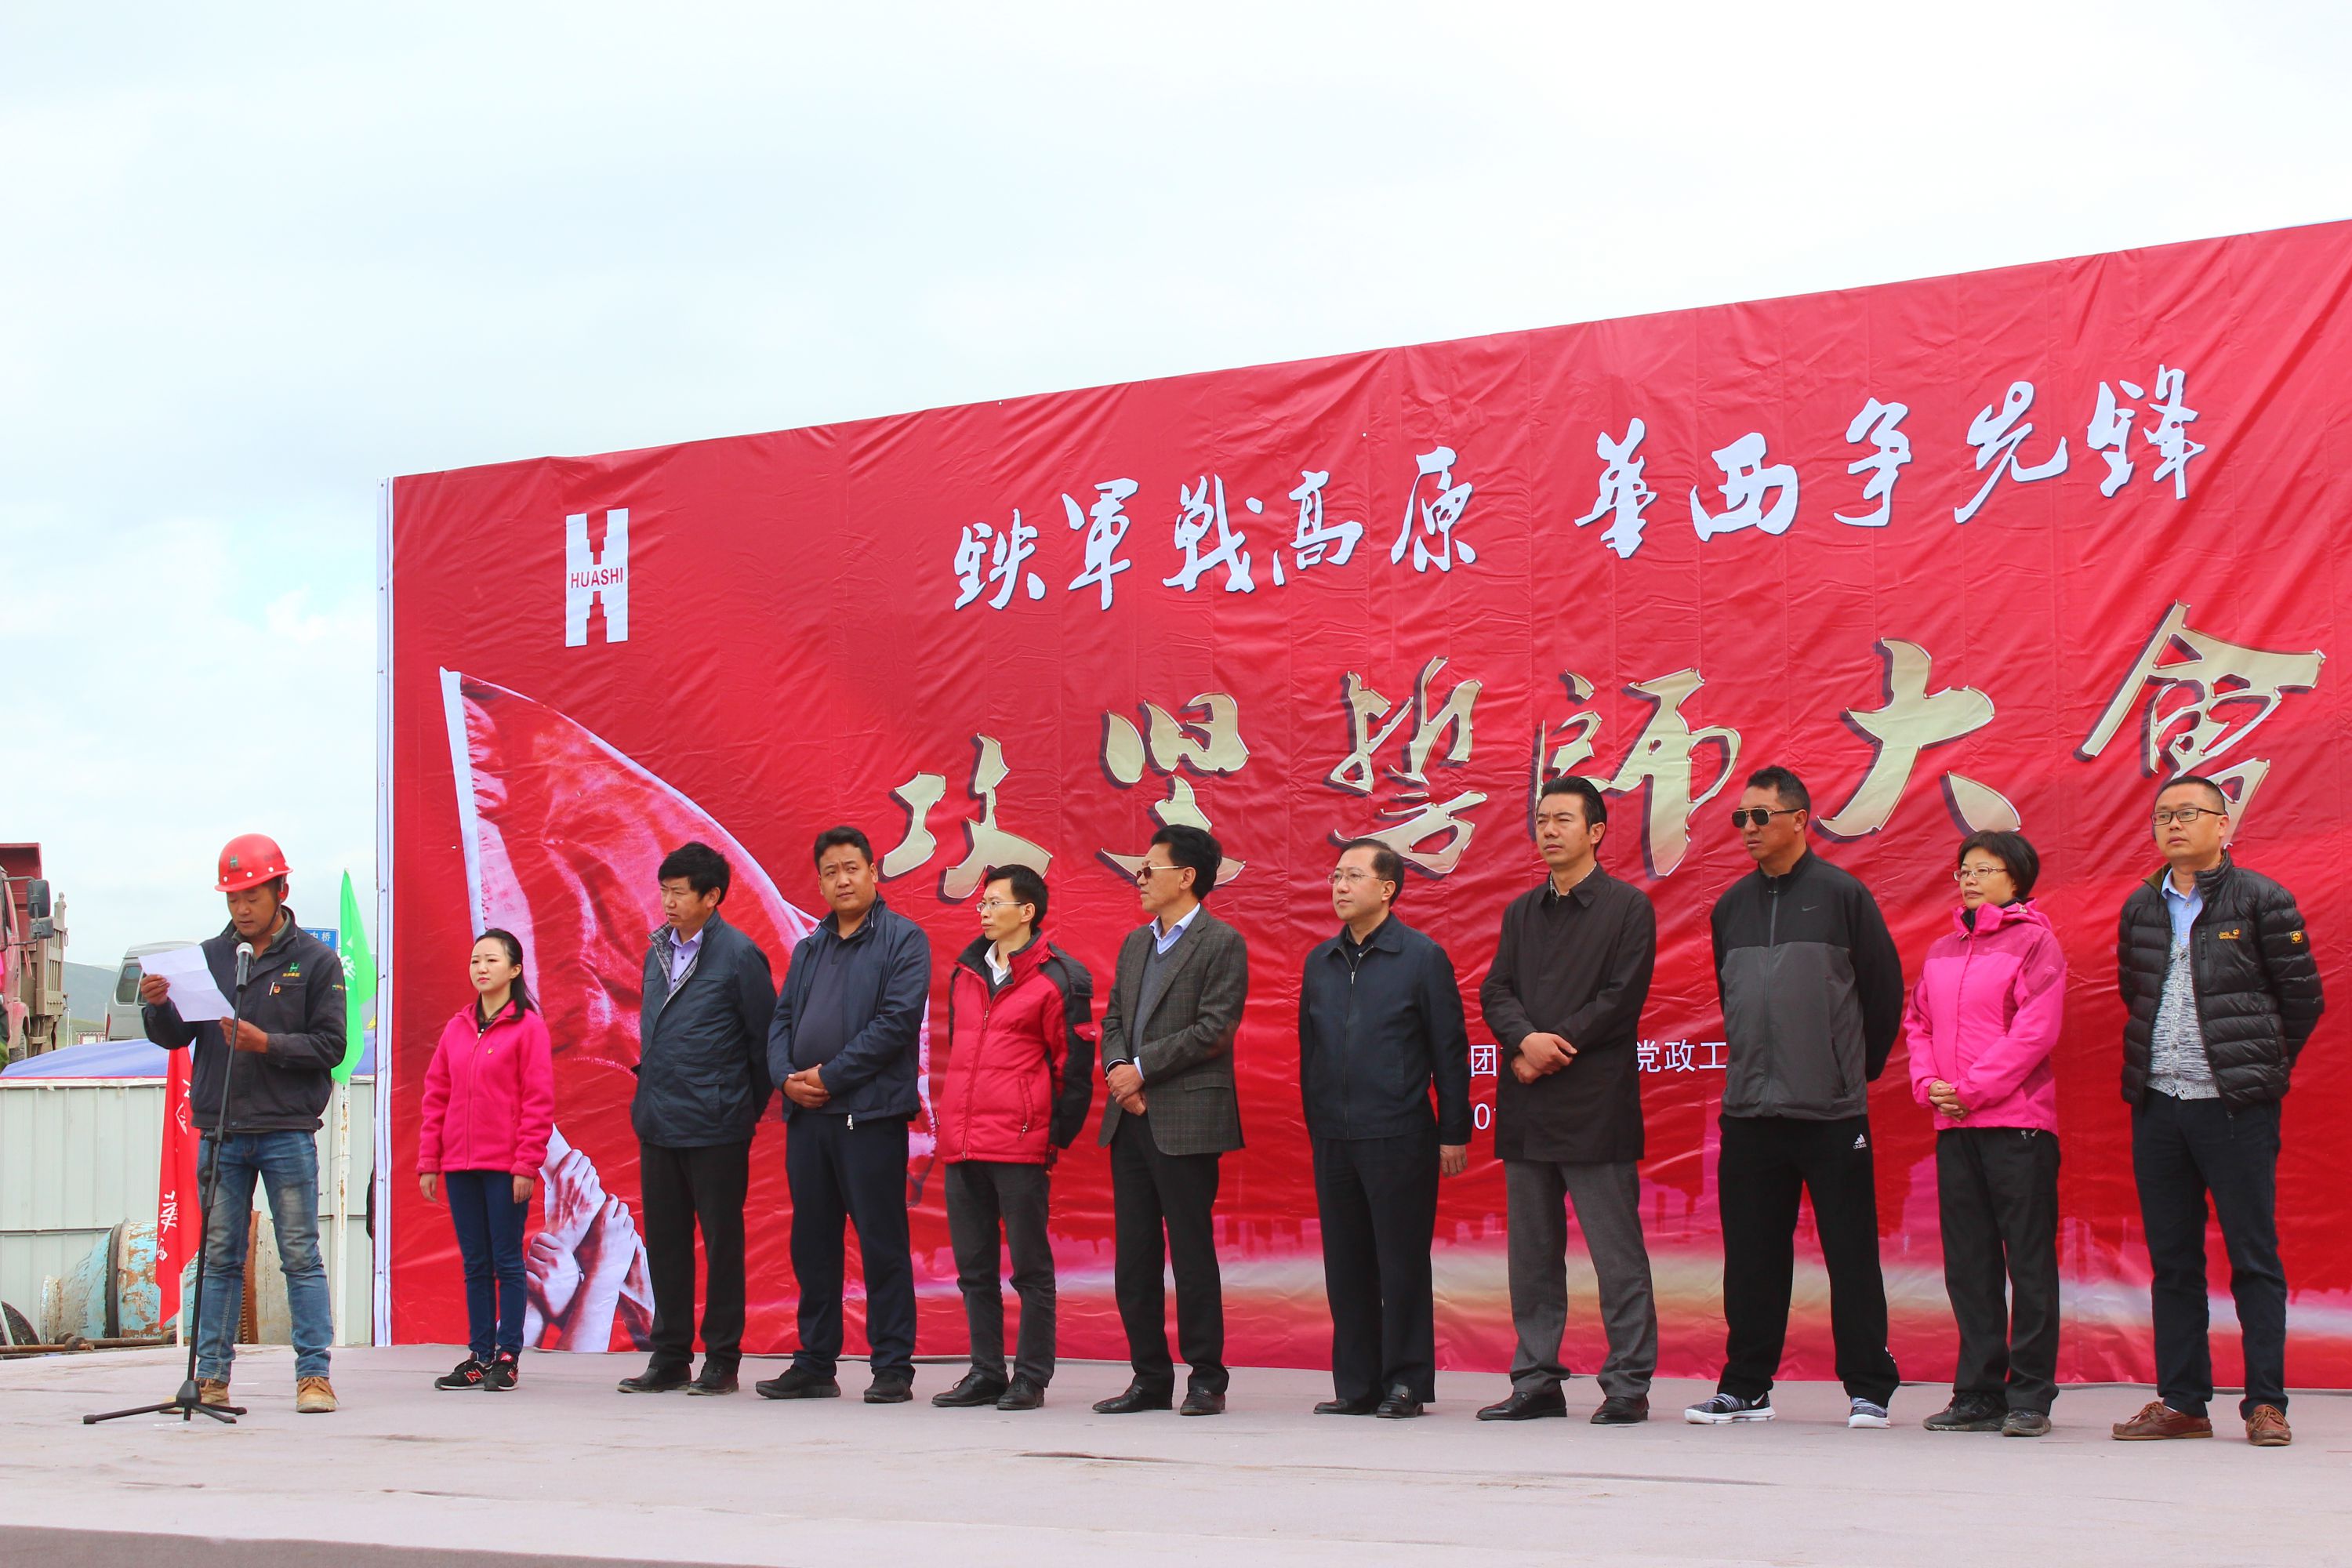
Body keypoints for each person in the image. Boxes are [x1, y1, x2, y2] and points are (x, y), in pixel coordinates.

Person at [1684, 766, 1905, 1431]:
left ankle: (1869, 1387)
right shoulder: (1731, 907)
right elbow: (1732, 998)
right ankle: (1746, 1387)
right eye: (1741, 818)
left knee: (1850, 1253)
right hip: (1750, 1111)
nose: (1748, 828)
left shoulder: (1842, 895)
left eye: (1761, 816)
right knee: (1752, 1258)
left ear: (1800, 819)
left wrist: (1848, 1073)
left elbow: (1883, 992)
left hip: (1831, 1112)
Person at [2111, 775, 2321, 1448]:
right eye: (2163, 815)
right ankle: (2183, 1402)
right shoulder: (2141, 906)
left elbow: (2302, 999)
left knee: (2253, 1256)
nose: (2174, 825)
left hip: (2235, 1108)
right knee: (2173, 1261)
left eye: (2189, 813)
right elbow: (2135, 991)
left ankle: (2266, 1404)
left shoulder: (2261, 898)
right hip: (2159, 1105)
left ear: (2223, 825)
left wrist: (2256, 1070)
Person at [137, 834, 348, 1414]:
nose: (242, 909)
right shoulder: (209, 957)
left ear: (282, 890)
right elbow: (176, 1036)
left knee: (299, 1254)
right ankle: (210, 1377)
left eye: (252, 896)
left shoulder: (317, 961)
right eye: (233, 899)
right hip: (222, 1128)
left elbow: (331, 1045)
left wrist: (267, 1044)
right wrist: (158, 1005)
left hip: (286, 1130)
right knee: (219, 1258)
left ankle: (314, 1376)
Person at [1477, 775, 1660, 1425]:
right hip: (1528, 1104)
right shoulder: (1522, 912)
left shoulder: (1627, 908)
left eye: (1563, 820)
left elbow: (1620, 998)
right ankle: (1537, 1380)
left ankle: (1628, 1383)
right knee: (1532, 1255)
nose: (1549, 830)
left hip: (1595, 1104)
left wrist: (1553, 1046)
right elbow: (1495, 990)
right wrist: (1525, 1041)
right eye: (1542, 819)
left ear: (1596, 831)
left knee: (1616, 1254)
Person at [1298, 840, 1471, 1420]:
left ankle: (1405, 1381)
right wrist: (1319, 1121)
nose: (1340, 886)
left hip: (1399, 1132)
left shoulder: (1421, 958)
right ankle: (1357, 1383)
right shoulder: (1320, 961)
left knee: (1400, 1264)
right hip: (1335, 1136)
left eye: (1353, 876)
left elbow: (1450, 1051)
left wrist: (1453, 1131)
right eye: (1335, 876)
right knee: (1345, 1264)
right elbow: (1310, 1051)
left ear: (1388, 889)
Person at [758, 827, 932, 1403]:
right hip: (808, 1119)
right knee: (812, 1244)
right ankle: (814, 1363)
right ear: (820, 882)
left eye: (852, 868)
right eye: (831, 872)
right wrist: (785, 1076)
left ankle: (892, 1367)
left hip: (869, 1117)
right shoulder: (810, 947)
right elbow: (782, 1021)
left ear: (873, 872)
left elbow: (896, 1023)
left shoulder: (904, 940)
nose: (843, 880)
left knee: (882, 1243)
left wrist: (830, 1077)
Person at [1903, 831, 2065, 1438]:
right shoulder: (1942, 950)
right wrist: (1930, 1085)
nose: (1969, 879)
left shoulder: (2036, 943)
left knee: (2028, 1261)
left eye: (1983, 869)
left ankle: (2030, 1395)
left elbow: (2035, 1032)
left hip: (2017, 1125)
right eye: (1963, 870)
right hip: (1955, 1125)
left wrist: (1970, 1088)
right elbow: (1918, 1023)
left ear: (2015, 879)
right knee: (1969, 1263)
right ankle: (1977, 1392)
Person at [1094, 823, 1248, 1417]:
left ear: (1186, 877)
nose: (1139, 878)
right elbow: (1112, 1019)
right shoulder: (1136, 943)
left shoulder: (1220, 942)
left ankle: (1206, 1377)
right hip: (1129, 1118)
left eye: (1149, 869)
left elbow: (1214, 1028)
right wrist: (1118, 1069)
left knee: (1190, 1254)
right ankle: (1149, 1377)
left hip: (1185, 1119)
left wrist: (1140, 1070)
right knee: (1134, 1258)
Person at [928, 865, 1094, 1413]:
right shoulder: (966, 972)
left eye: (995, 902)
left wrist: (1049, 1135)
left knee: (1030, 1268)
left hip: (1020, 1144)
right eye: (982, 902)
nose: (983, 911)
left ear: (1027, 911)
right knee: (974, 1270)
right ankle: (985, 1371)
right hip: (963, 1141)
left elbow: (1074, 1067)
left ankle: (1031, 1376)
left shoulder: (1058, 977)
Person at [618, 841, 777, 1396]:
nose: (668, 901)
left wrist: (737, 1107)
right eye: (664, 890)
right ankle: (669, 1356)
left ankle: (722, 1359)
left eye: (679, 892)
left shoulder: (739, 955)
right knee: (665, 1245)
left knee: (722, 1243)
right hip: (659, 1120)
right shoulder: (657, 951)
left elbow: (764, 1044)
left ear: (712, 897)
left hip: (717, 1125)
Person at [417, 928, 556, 1391]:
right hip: (460, 1165)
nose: (481, 968)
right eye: (476, 960)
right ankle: (478, 1355)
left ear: (515, 970)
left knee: (507, 1261)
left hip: (505, 1166)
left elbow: (538, 1101)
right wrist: (429, 1160)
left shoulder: (528, 1028)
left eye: (492, 960)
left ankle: (508, 1355)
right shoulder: (457, 1027)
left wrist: (526, 1165)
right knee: (475, 1263)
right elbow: (436, 1095)